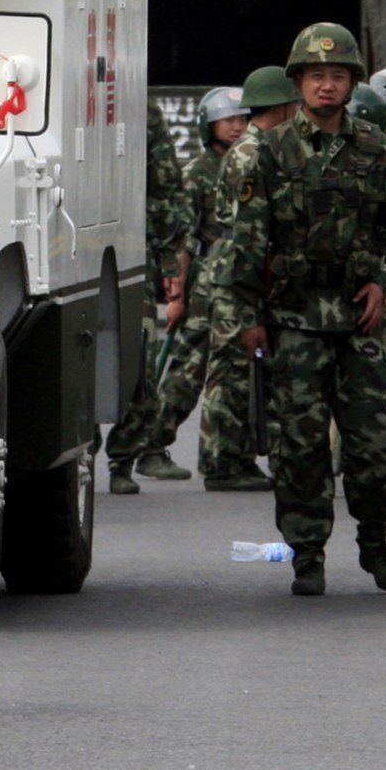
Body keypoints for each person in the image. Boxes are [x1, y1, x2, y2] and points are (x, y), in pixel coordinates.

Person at [216, 23, 386, 597]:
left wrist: (385, 283)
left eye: (337, 76)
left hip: (358, 319)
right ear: (298, 83)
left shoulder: (374, 146)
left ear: (352, 83)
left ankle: (376, 545)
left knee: (375, 448)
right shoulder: (267, 151)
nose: (326, 86)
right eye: (315, 76)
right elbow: (246, 242)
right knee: (300, 446)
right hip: (292, 318)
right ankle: (308, 554)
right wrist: (250, 315)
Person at [130, 86, 259, 488]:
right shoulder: (198, 172)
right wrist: (177, 294)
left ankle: (235, 452)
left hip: (233, 280)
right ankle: (151, 445)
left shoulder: (247, 162)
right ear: (209, 125)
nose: (237, 126)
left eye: (243, 119)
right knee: (186, 373)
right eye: (228, 119)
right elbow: (185, 238)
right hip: (205, 282)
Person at [196, 65, 301, 490]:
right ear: (281, 106)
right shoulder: (253, 152)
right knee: (232, 373)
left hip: (241, 272)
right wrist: (250, 297)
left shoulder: (258, 147)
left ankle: (234, 459)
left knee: (242, 371)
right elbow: (247, 233)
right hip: (238, 275)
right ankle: (223, 463)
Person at [104, 98, 187, 494]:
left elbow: (166, 184)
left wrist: (169, 260)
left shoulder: (141, 107)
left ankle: (124, 459)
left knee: (140, 361)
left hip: (129, 250)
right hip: (67, 246)